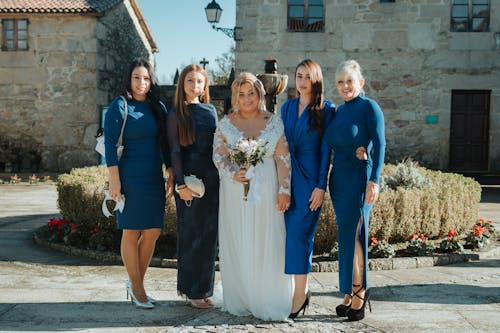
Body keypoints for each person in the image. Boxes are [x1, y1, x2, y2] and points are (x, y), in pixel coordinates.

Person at [213, 72, 293, 321]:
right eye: (241, 94)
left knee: (268, 239)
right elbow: (218, 156)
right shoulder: (225, 123)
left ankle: (268, 295)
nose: (247, 98)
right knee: (240, 238)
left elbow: (282, 157)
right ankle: (243, 295)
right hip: (236, 191)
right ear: (235, 97)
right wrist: (232, 173)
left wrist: (284, 190)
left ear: (260, 94)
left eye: (251, 93)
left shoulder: (274, 121)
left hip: (267, 189)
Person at [104, 58, 173, 309]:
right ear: (129, 79)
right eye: (136, 77)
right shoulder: (119, 106)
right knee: (131, 230)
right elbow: (110, 146)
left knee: (153, 230)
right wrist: (115, 180)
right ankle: (139, 289)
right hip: (129, 177)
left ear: (150, 80)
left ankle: (135, 284)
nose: (141, 82)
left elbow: (165, 143)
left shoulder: (158, 107)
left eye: (145, 78)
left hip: (153, 175)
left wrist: (170, 170)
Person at [324, 60, 386, 321]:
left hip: (360, 179)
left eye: (349, 81)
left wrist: (375, 180)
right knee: (346, 237)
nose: (345, 86)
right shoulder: (338, 112)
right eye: (340, 82)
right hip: (338, 180)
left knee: (357, 235)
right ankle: (348, 290)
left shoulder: (369, 107)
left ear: (360, 82)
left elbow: (381, 145)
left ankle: (360, 290)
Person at [280, 59, 335, 319]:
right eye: (298, 75)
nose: (301, 82)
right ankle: (297, 291)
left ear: (316, 80)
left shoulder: (327, 109)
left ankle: (300, 295)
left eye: (307, 77)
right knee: (289, 236)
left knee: (301, 236)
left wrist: (320, 186)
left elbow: (326, 150)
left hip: (311, 179)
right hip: (287, 178)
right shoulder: (287, 107)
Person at [166, 64, 219, 309]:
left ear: (204, 85)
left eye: (199, 81)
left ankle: (205, 288)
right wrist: (179, 184)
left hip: (212, 180)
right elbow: (174, 151)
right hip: (188, 180)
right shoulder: (176, 113)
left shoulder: (211, 111)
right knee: (191, 235)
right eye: (190, 81)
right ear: (182, 85)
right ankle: (192, 291)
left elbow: (218, 146)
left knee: (209, 237)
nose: (195, 86)